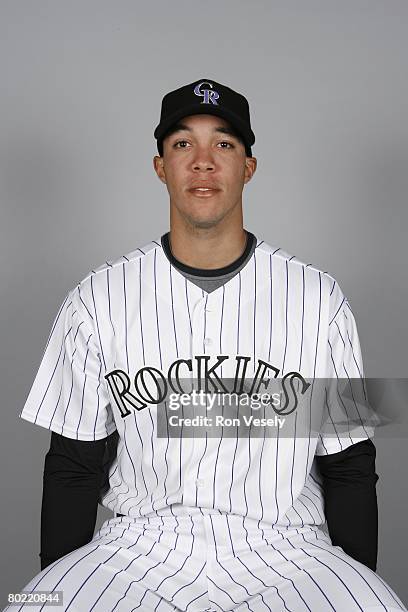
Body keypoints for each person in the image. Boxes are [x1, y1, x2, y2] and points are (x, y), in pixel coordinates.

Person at [5, 78, 406, 612]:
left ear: (248, 167)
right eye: (181, 144)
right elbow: (73, 466)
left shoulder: (318, 297)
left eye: (223, 144)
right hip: (139, 547)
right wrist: (56, 585)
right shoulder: (97, 298)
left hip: (289, 548)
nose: (202, 161)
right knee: (34, 606)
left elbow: (349, 462)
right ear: (160, 167)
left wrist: (358, 583)